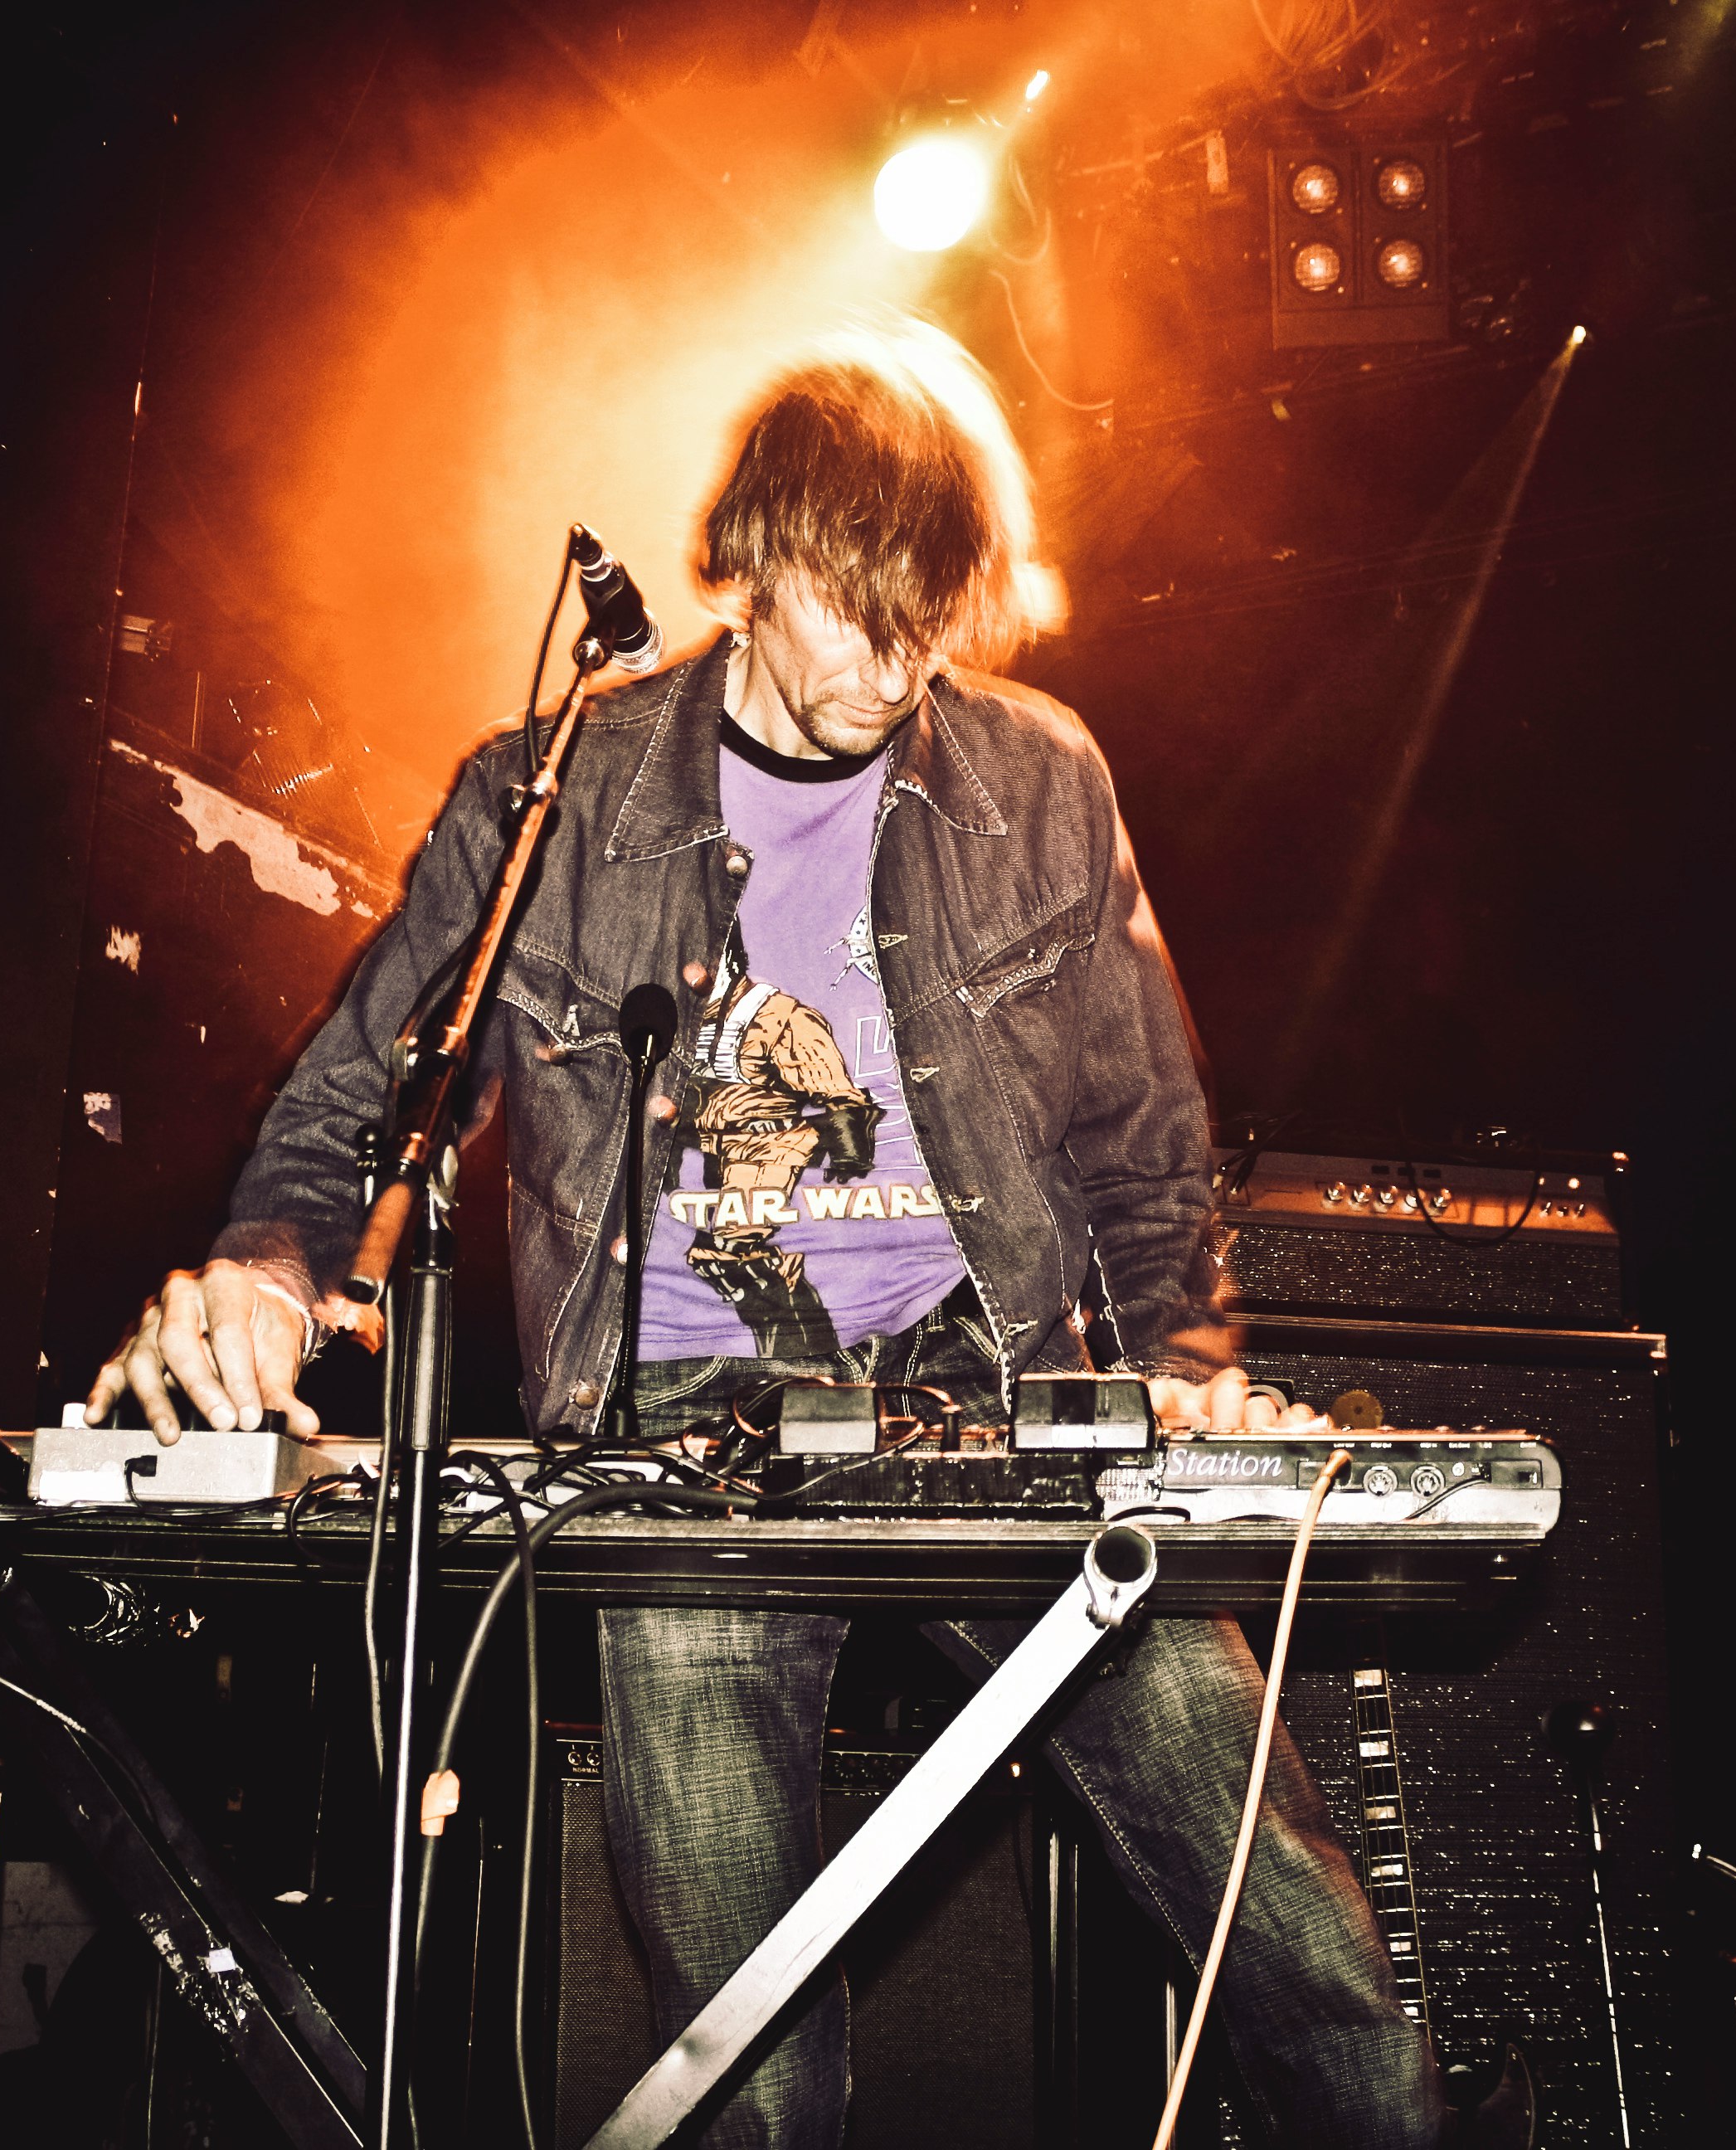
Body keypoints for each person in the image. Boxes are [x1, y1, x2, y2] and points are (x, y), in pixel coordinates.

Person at [90, 319, 1510, 2148]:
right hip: (685, 1438)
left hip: (999, 1411)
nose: (899, 660)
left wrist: (1177, 1381)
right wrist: (272, 1266)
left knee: (1306, 1950)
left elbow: (1154, 1148)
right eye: (860, 609)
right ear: (750, 560)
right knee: (742, 2058)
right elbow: (361, 1084)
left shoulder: (1040, 777)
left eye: (933, 616)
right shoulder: (554, 795)